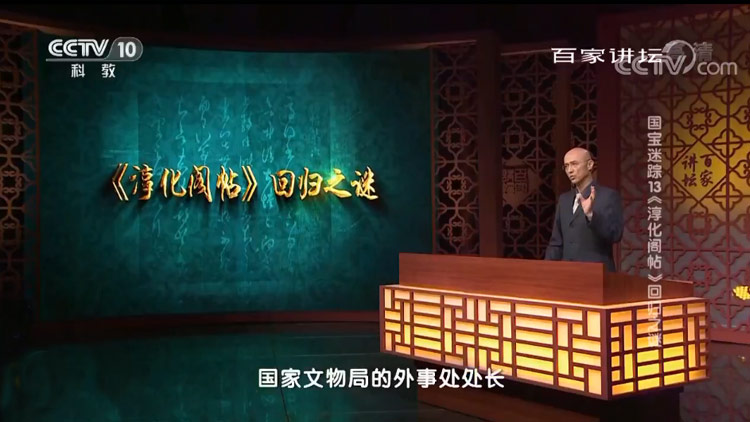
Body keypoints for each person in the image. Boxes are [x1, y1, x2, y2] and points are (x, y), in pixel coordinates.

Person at [544, 147, 624, 272]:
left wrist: (591, 215)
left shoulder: (607, 196)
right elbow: (556, 243)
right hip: (567, 273)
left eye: (574, 164)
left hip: (597, 273)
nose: (570, 170)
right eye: (566, 166)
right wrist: (545, 270)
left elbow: (615, 234)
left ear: (590, 165)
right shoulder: (564, 200)